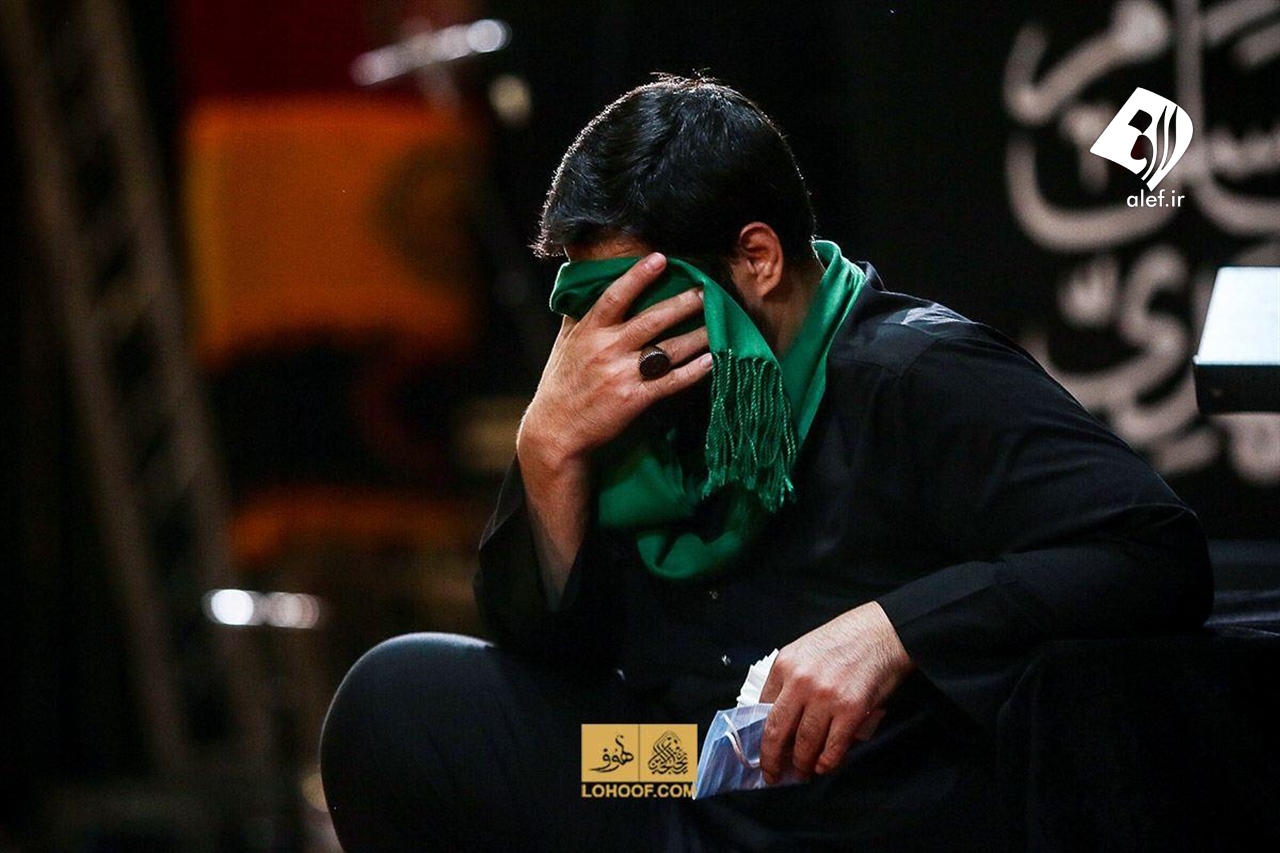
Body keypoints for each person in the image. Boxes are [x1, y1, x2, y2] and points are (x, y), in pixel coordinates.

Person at [319, 75, 1212, 852]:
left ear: (757, 258)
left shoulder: (916, 371)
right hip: (677, 764)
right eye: (589, 307)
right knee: (401, 706)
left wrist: (893, 629)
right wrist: (548, 446)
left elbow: (1152, 547)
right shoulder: (633, 400)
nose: (609, 340)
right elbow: (553, 655)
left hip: (859, 791)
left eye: (645, 299)